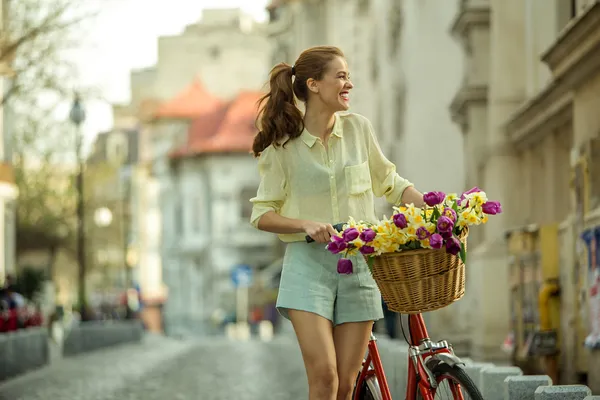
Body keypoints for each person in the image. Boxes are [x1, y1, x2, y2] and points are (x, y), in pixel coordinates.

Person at [249, 46, 425, 400]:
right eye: (341, 76)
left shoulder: (359, 130)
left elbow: (391, 184)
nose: (349, 83)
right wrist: (304, 224)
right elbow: (262, 214)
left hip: (360, 267)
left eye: (348, 76)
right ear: (313, 84)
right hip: (307, 269)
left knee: (346, 385)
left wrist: (438, 209)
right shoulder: (283, 148)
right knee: (325, 377)